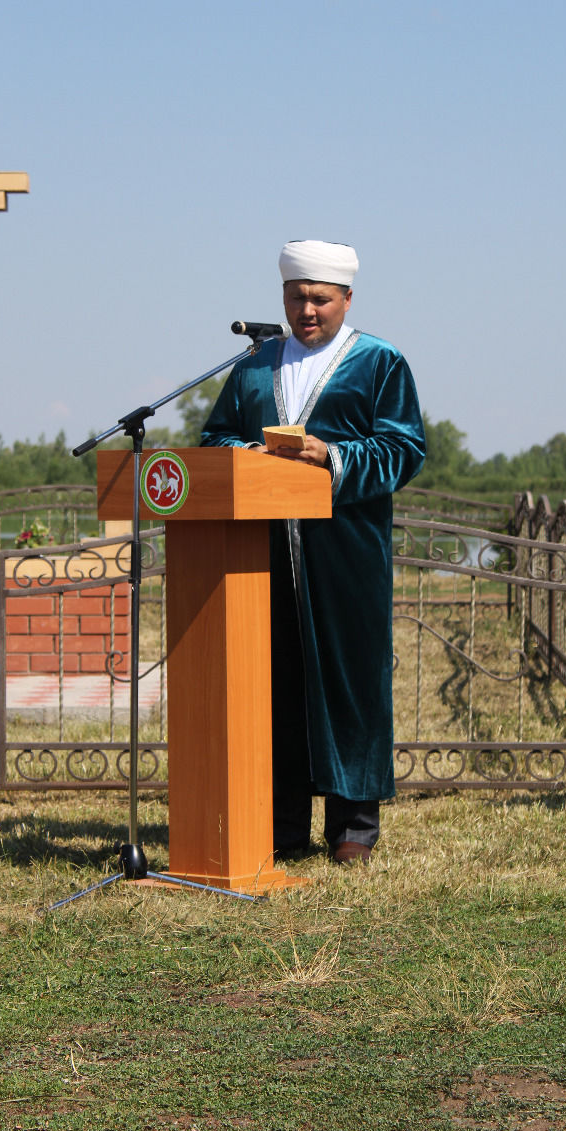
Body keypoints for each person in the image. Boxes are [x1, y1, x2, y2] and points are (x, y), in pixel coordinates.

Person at [201, 240, 426, 864]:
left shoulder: (380, 363)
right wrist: (246, 457)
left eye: (321, 300)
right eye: (298, 298)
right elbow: (215, 436)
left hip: (347, 552)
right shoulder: (252, 367)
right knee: (275, 684)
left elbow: (404, 449)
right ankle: (281, 825)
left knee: (350, 681)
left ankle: (353, 824)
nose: (308, 311)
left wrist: (334, 456)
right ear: (283, 296)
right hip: (263, 552)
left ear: (346, 299)